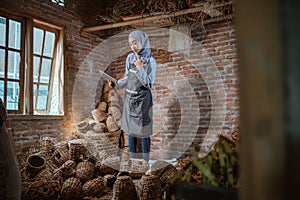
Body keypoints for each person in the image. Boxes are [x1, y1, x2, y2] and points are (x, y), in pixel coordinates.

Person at [108, 30, 156, 161]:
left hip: (143, 99)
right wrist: (116, 84)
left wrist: (140, 68)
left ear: (143, 42)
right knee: (131, 131)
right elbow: (128, 77)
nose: (133, 47)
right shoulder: (130, 58)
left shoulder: (151, 61)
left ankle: (145, 162)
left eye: (135, 43)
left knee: (144, 132)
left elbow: (149, 83)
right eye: (130, 44)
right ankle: (133, 161)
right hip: (130, 99)